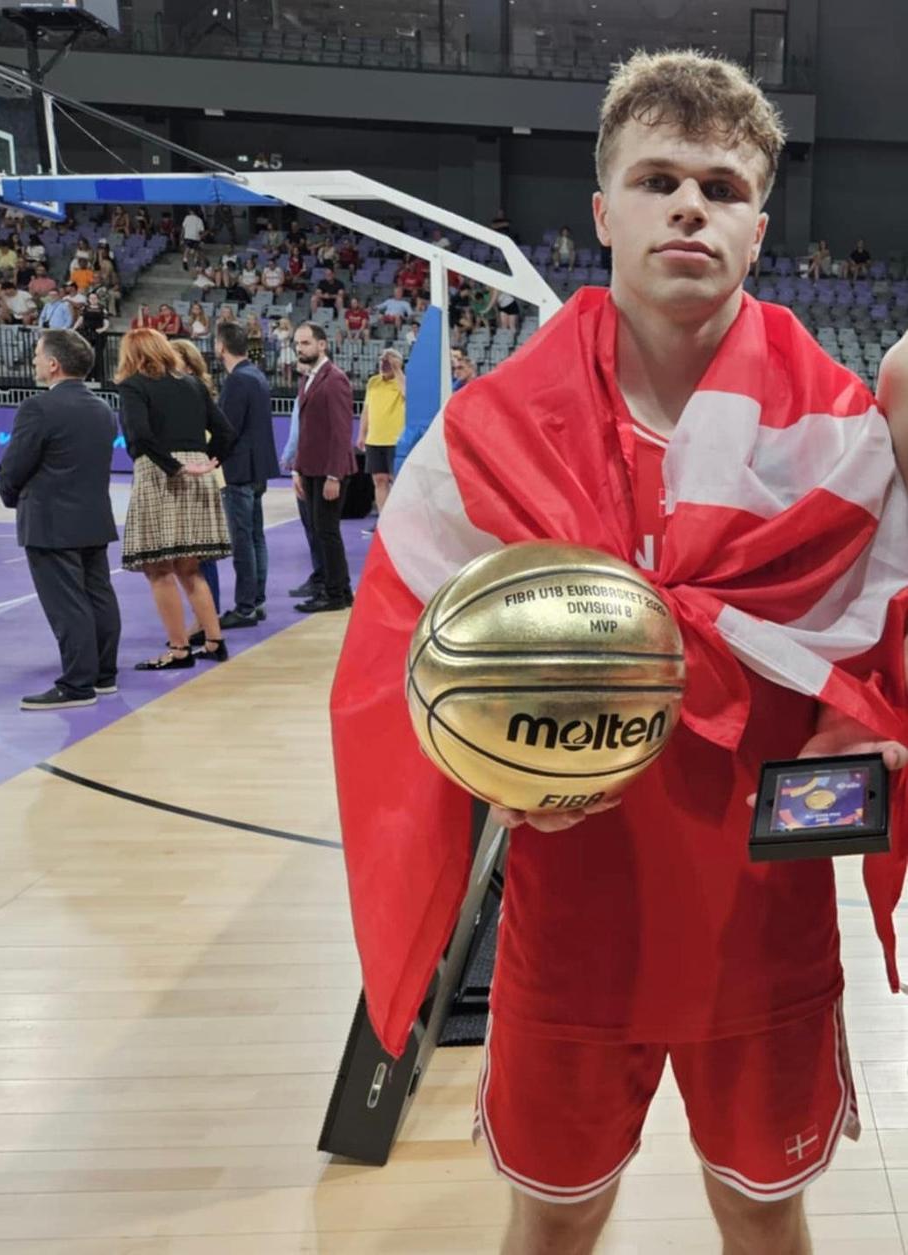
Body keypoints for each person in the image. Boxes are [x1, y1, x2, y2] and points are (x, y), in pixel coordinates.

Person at [329, 49, 908, 1255]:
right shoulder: (489, 431)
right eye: (657, 180)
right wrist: (484, 770)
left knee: (764, 1219)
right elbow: (401, 658)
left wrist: (858, 722)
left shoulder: (845, 436)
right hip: (574, 918)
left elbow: (878, 647)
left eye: (721, 187)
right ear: (602, 213)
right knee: (553, 1220)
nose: (688, 206)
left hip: (762, 922)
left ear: (758, 228)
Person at [0, 330, 120, 710]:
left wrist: (10, 496)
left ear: (53, 364)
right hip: (93, 517)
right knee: (98, 595)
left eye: (37, 354)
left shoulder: (38, 408)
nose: (34, 361)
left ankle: (77, 684)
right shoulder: (103, 409)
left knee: (67, 605)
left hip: (50, 521)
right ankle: (103, 674)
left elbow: (14, 466)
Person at [116, 328, 236, 669]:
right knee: (189, 566)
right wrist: (206, 461)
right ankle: (214, 641)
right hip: (199, 474)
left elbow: (139, 435)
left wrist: (176, 467)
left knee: (158, 568)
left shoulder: (134, 386)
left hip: (160, 475)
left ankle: (180, 650)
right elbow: (226, 432)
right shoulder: (193, 384)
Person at [214, 320, 279, 628]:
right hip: (257, 468)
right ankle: (257, 600)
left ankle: (245, 607)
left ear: (221, 346)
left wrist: (210, 456)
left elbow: (227, 428)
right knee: (255, 536)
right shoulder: (256, 375)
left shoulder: (237, 380)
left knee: (243, 540)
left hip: (239, 469)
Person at [291, 321, 356, 612]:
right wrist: (297, 469)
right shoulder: (309, 378)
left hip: (328, 471)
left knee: (326, 532)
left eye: (305, 343)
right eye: (297, 343)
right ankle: (340, 590)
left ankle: (335, 594)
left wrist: (334, 475)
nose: (300, 348)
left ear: (322, 344)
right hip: (311, 468)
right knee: (322, 532)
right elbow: (306, 431)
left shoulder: (335, 379)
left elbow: (341, 432)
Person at [170, 338, 226, 638]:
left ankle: (206, 619)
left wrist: (207, 460)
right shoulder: (196, 391)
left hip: (199, 476)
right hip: (201, 473)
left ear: (189, 364)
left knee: (200, 555)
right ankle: (206, 617)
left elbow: (222, 433)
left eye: (173, 358)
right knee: (197, 554)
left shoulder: (191, 393)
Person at [280, 362, 324, 600]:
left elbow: (298, 432)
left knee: (316, 528)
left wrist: (289, 458)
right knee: (317, 528)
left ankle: (322, 578)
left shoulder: (308, 395)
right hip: (309, 465)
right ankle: (323, 577)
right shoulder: (308, 392)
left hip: (307, 466)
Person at [357, 349, 405, 535]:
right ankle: (383, 522)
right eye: (381, 361)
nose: (383, 364)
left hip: (395, 439)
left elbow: (408, 394)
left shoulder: (402, 381)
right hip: (374, 439)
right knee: (379, 480)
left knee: (397, 482)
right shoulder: (373, 382)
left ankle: (399, 522)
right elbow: (366, 410)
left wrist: (397, 370)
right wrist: (362, 434)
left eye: (387, 361)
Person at [74, 292, 110, 381]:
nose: (93, 300)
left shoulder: (102, 308)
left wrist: (103, 329)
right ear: (88, 299)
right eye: (91, 298)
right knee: (87, 354)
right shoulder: (85, 308)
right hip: (87, 333)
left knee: (98, 355)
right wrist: (73, 328)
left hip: (98, 333)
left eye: (95, 298)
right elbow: (80, 319)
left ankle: (99, 376)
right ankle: (88, 375)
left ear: (98, 299)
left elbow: (106, 321)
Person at [274, 316, 297, 387]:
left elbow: (286, 337)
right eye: (280, 323)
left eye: (282, 323)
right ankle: (284, 380)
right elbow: (273, 336)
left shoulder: (287, 332)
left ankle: (289, 382)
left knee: (289, 367)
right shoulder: (277, 331)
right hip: (282, 350)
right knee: (282, 366)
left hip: (287, 350)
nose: (280, 324)